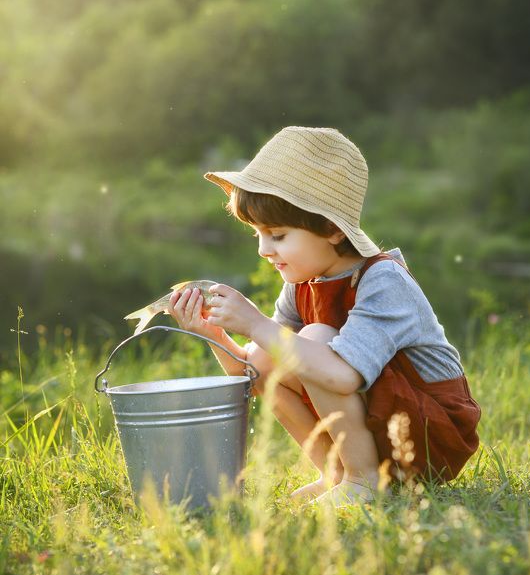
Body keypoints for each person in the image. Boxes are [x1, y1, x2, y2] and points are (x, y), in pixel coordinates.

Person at [168, 126, 481, 505]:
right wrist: (212, 332)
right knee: (273, 352)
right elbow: (253, 373)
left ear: (332, 229)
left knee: (311, 341)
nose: (264, 250)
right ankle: (335, 472)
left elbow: (341, 374)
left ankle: (363, 480)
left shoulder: (382, 280)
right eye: (258, 235)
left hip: (431, 433)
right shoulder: (303, 282)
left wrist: (255, 322)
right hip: (383, 420)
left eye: (278, 235)